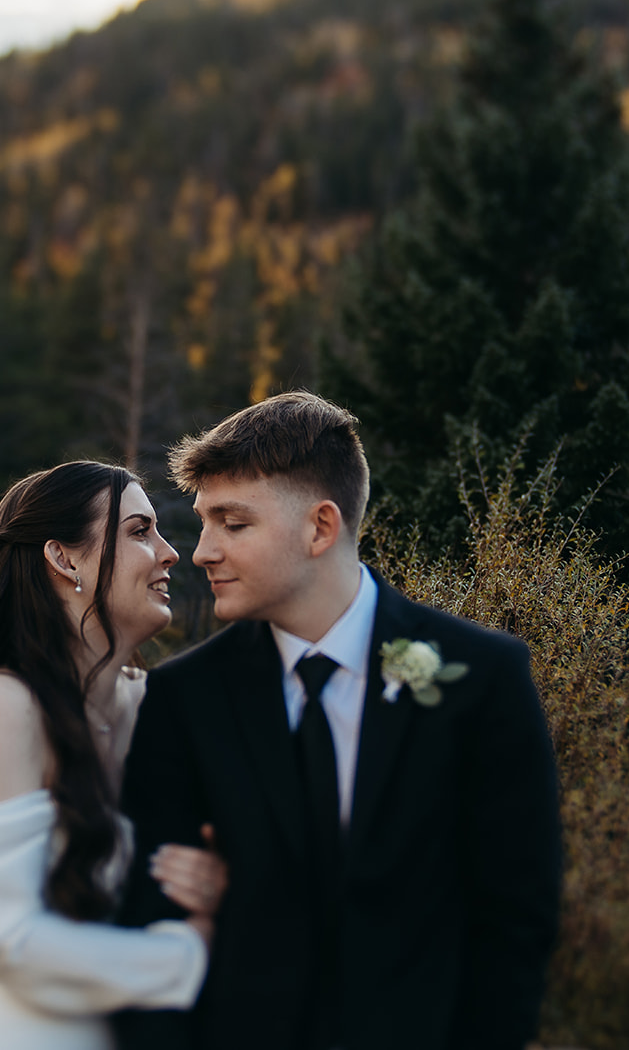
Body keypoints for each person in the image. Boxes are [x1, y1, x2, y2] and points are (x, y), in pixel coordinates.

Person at [112, 392, 562, 1050]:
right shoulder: (184, 699)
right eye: (205, 521)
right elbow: (147, 923)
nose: (202, 550)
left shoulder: (482, 678)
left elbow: (516, 919)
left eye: (233, 523)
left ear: (320, 527)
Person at [0, 461, 228, 1050]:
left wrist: (219, 888)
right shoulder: (1, 708)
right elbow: (2, 941)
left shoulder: (152, 712)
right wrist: (191, 952)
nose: (170, 554)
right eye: (140, 531)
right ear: (63, 558)